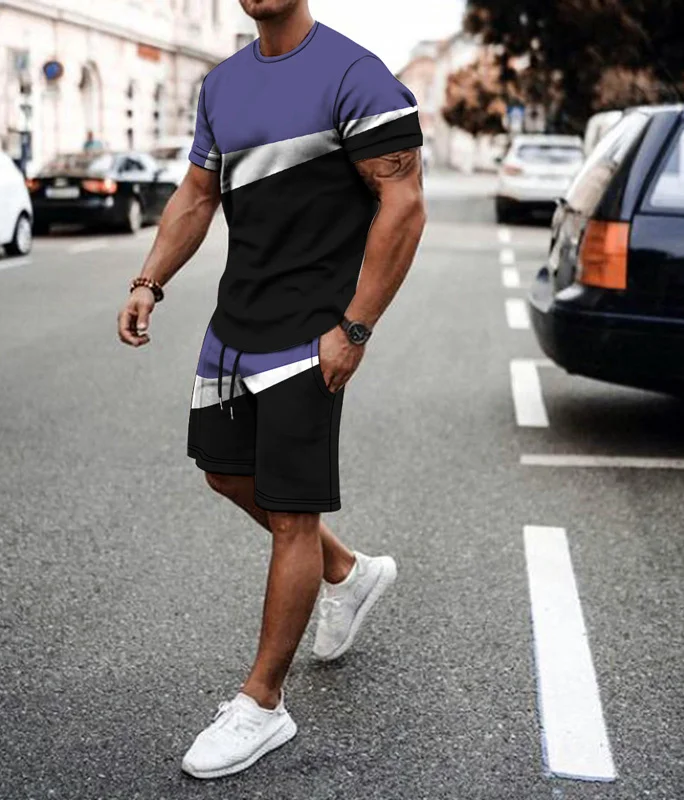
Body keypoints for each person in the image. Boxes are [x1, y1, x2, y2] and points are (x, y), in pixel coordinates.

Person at [117, 0, 425, 779]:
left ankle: (262, 704)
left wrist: (355, 327)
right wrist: (150, 280)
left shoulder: (355, 75)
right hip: (235, 326)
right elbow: (197, 195)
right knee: (226, 473)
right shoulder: (222, 85)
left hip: (312, 332)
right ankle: (347, 571)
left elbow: (404, 203)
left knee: (292, 514)